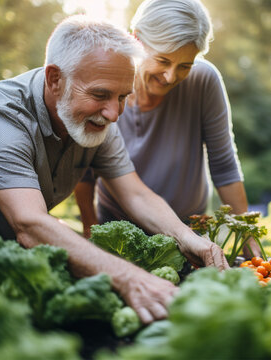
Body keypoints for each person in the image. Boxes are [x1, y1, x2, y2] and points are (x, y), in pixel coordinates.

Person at [0, 16, 229, 324]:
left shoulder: (99, 118)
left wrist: (190, 239)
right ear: (54, 79)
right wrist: (130, 278)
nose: (114, 113)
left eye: (123, 97)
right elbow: (30, 223)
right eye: (100, 95)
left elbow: (134, 193)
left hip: (21, 231)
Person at [74, 0, 261, 258]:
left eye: (185, 66)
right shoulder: (107, 83)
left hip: (189, 233)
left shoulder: (204, 81)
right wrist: (90, 231)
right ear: (136, 40)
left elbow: (224, 165)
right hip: (119, 237)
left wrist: (249, 241)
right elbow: (83, 171)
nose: (171, 76)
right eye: (163, 60)